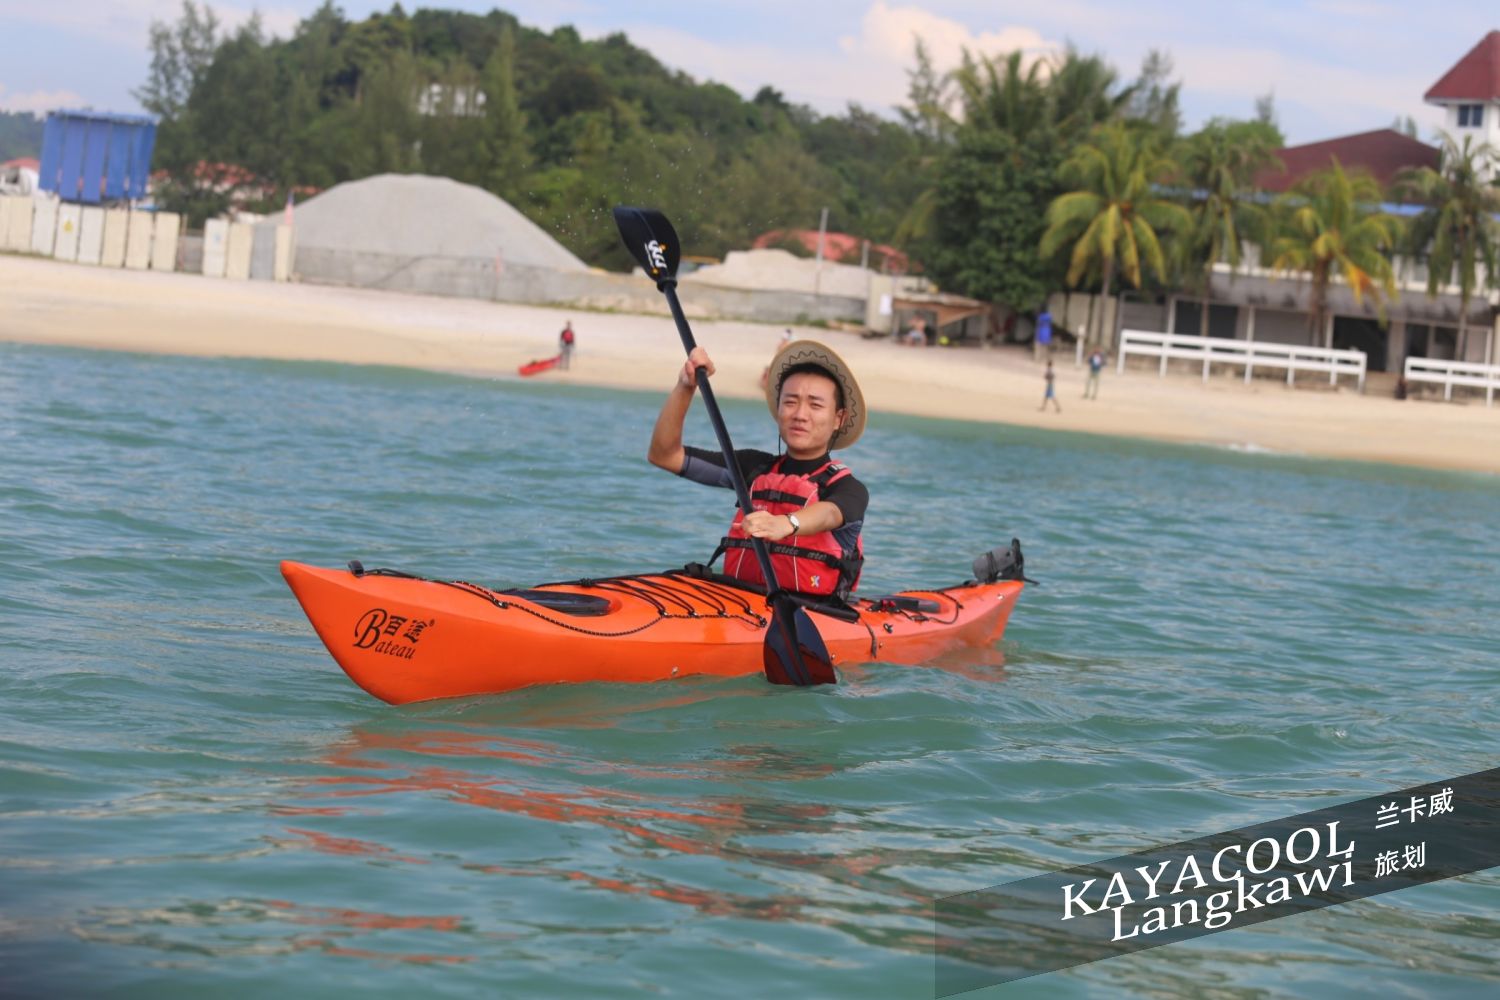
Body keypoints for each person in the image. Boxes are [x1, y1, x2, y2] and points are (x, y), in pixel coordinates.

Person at [648, 340, 868, 601]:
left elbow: (830, 513)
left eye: (815, 405)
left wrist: (787, 523)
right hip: (740, 605)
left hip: (813, 611)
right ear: (779, 409)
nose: (800, 414)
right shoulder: (753, 468)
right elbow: (665, 455)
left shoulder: (848, 489)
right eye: (790, 402)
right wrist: (685, 386)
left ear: (838, 419)